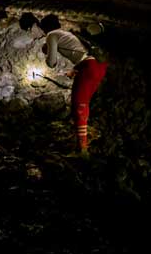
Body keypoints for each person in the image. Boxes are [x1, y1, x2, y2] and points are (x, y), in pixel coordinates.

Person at [20, 13, 109, 153]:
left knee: (78, 106)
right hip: (98, 66)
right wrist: (74, 71)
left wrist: (47, 51)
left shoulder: (51, 35)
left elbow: (51, 63)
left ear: (43, 27)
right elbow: (82, 54)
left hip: (89, 67)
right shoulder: (66, 33)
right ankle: (84, 140)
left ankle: (83, 151)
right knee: (83, 104)